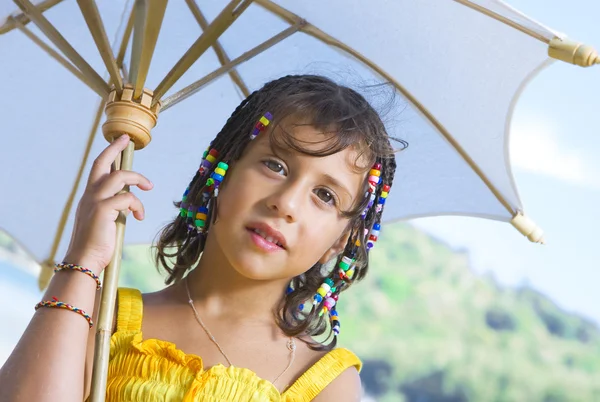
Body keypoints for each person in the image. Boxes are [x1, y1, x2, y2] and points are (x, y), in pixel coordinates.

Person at [0, 75, 401, 401]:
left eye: (325, 195)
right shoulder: (104, 320)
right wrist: (84, 259)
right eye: (275, 165)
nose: (286, 203)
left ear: (342, 241)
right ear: (221, 173)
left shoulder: (323, 382)